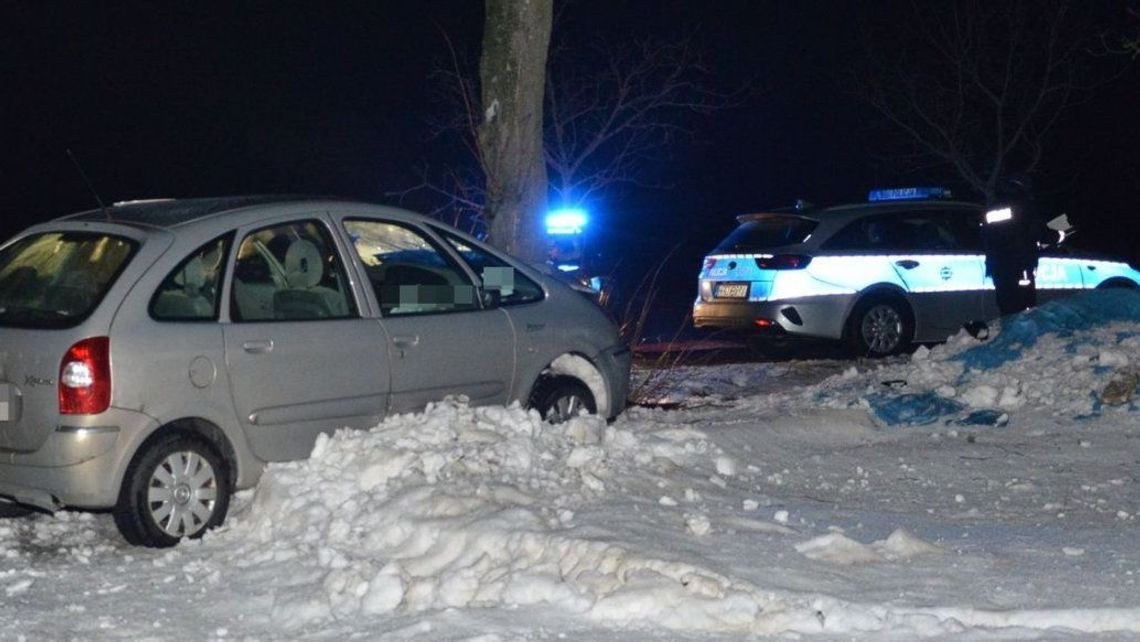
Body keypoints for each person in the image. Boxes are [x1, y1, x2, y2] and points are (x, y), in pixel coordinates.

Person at [982, 172, 1054, 317]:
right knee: (1025, 309)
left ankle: (1010, 330)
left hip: (998, 268)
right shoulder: (1023, 205)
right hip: (1020, 266)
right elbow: (1038, 232)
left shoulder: (994, 207)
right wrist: (1059, 235)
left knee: (1006, 308)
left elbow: (987, 235)